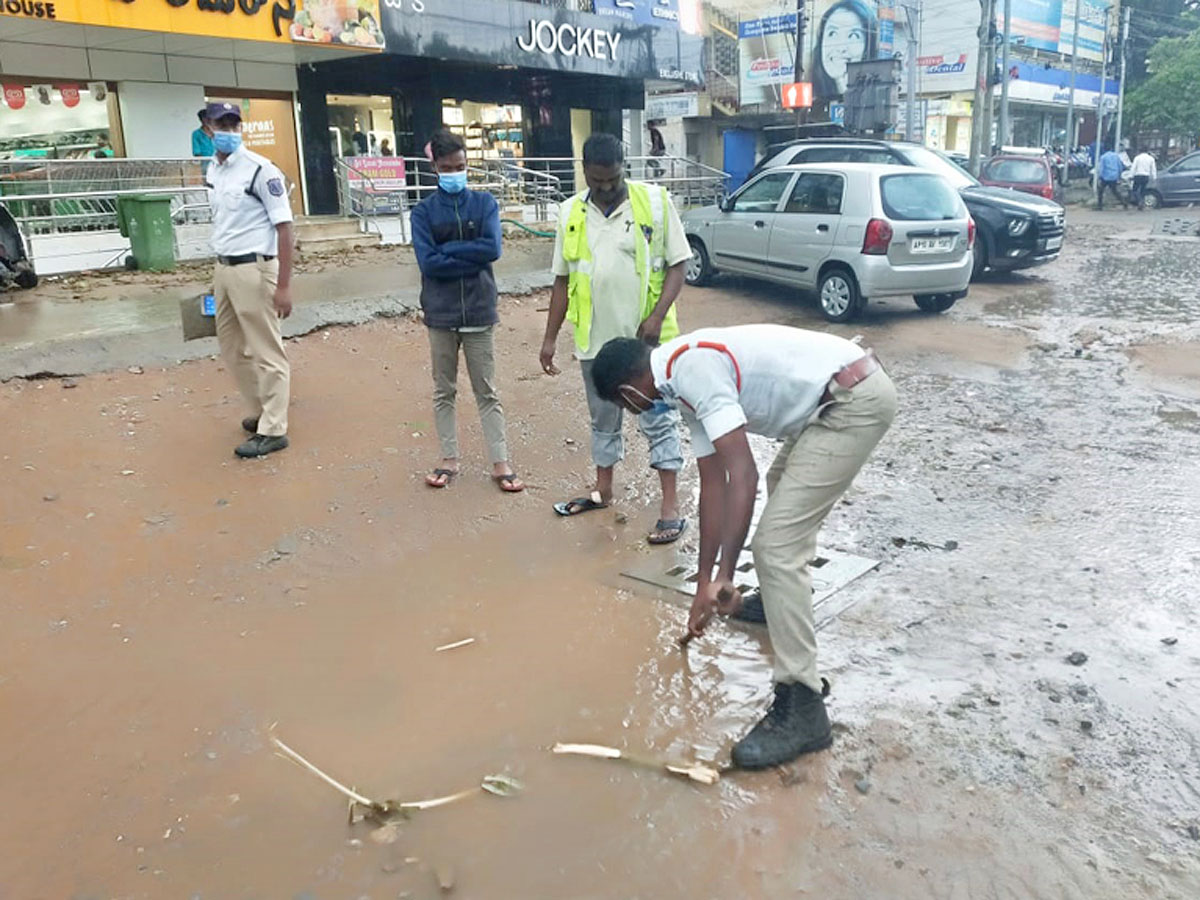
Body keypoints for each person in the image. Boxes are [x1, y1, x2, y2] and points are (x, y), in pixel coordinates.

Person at [589, 325, 897, 768]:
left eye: (625, 406)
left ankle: (803, 704)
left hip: (854, 401)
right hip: (828, 402)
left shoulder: (692, 368)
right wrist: (704, 585)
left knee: (775, 546)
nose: (634, 413)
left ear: (627, 390)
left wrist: (727, 575)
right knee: (782, 490)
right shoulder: (679, 380)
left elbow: (742, 476)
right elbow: (713, 486)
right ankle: (777, 603)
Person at [540, 132, 690, 545]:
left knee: (659, 420)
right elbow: (561, 281)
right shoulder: (570, 211)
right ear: (584, 170)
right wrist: (550, 339)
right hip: (595, 344)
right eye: (597, 180)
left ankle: (670, 509)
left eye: (613, 179)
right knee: (603, 423)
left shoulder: (655, 204)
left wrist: (657, 317)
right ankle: (603, 492)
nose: (606, 188)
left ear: (624, 166)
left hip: (645, 346)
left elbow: (679, 266)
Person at [410, 129, 524, 493]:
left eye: (460, 166)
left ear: (467, 164)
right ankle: (449, 460)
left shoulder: (485, 204)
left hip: (478, 312)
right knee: (444, 390)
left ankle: (501, 462)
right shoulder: (423, 212)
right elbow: (428, 263)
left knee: (486, 391)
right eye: (447, 168)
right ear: (435, 168)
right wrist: (467, 253)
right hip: (440, 316)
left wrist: (449, 252)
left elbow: (492, 249)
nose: (455, 173)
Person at [204, 101, 295, 459]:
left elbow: (285, 229)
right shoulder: (214, 170)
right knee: (230, 346)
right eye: (220, 123)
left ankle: (274, 429)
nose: (227, 130)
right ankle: (261, 411)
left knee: (266, 350)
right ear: (207, 127)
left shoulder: (261, 170)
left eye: (233, 123)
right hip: (224, 269)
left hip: (255, 269)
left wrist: (284, 285)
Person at [813, 0, 877, 100]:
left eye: (853, 36)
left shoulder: (876, 99)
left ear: (867, 47)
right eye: (832, 33)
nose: (841, 48)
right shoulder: (810, 96)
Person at [1096, 146, 1126, 210]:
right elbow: (1120, 166)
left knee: (1100, 191)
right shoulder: (1116, 156)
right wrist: (1119, 175)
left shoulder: (1103, 157)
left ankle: (1099, 206)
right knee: (1114, 191)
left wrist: (1099, 176)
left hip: (1105, 176)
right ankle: (1124, 203)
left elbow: (1101, 168)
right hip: (1114, 176)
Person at [1130, 144, 1157, 209]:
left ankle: (1140, 201)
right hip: (1146, 176)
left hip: (1138, 175)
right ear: (1147, 150)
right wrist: (1154, 177)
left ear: (1140, 151)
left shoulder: (1137, 158)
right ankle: (1141, 202)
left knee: (1134, 190)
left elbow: (1133, 167)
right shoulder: (1151, 158)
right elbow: (1153, 169)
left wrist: (1131, 175)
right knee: (1143, 190)